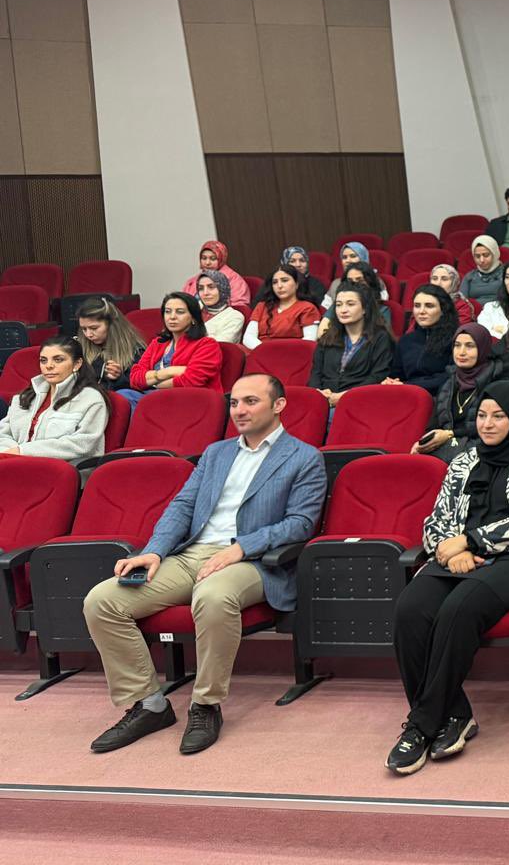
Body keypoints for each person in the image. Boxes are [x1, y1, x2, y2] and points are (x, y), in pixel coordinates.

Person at [81, 374, 326, 755]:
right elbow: (182, 507)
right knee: (102, 601)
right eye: (234, 403)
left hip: (254, 561)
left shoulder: (304, 457)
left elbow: (300, 523)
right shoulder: (216, 453)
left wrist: (240, 548)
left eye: (250, 401)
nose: (239, 410)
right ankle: (149, 704)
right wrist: (155, 550)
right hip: (192, 553)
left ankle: (205, 704)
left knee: (212, 597)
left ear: (279, 405)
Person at [386, 380, 509, 774]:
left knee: (459, 607)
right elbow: (437, 518)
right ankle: (455, 713)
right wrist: (453, 551)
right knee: (409, 609)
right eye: (482, 415)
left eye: (498, 416)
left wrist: (471, 541)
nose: (487, 423)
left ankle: (420, 725)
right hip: (458, 559)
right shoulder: (463, 461)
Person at [415, 324, 509, 465]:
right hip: (449, 449)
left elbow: (492, 427)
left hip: (485, 451)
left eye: (469, 346)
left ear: (482, 349)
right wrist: (423, 443)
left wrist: (450, 434)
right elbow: (434, 425)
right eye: (457, 345)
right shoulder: (450, 383)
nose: (461, 352)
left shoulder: (499, 382)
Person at [0, 335, 109, 462]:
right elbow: (3, 433)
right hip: (12, 462)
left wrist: (22, 451)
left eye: (58, 360)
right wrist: (10, 453)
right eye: (43, 360)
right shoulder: (24, 396)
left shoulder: (91, 399)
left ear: (77, 364)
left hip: (60, 469)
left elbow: (83, 444)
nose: (49, 366)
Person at [308, 284, 395, 406]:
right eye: (338, 305)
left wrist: (343, 396)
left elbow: (377, 376)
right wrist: (319, 393)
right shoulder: (327, 337)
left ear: (365, 308)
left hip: (360, 401)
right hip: (324, 400)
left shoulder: (381, 338)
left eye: (350, 304)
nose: (343, 310)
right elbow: (316, 373)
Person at [130, 293, 223, 396]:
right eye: (168, 311)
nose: (172, 317)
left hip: (189, 399)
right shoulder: (158, 343)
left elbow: (191, 380)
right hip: (150, 396)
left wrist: (152, 382)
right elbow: (134, 378)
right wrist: (169, 372)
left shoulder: (207, 345)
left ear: (193, 318)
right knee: (124, 394)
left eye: (180, 312)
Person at [389, 284, 459, 394]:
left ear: (443, 310)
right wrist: (391, 382)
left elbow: (451, 377)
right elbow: (396, 375)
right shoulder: (406, 340)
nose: (421, 311)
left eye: (429, 306)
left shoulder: (456, 338)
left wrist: (409, 386)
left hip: (440, 396)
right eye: (417, 306)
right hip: (406, 394)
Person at [75, 297, 145, 396]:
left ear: (111, 325)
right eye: (84, 329)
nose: (88, 334)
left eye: (94, 328)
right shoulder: (78, 347)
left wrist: (119, 378)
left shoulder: (136, 351)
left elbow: (142, 386)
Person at [243, 266, 320, 348]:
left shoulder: (308, 308)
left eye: (284, 280)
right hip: (260, 351)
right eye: (275, 282)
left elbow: (309, 340)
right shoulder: (262, 306)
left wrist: (280, 352)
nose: (279, 286)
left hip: (293, 352)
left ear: (297, 284)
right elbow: (248, 337)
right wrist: (266, 351)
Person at [183, 241, 249, 311]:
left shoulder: (235, 280)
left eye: (213, 258)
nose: (207, 263)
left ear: (221, 258)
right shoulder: (192, 281)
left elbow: (240, 307)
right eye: (204, 258)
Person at [194, 271, 244, 344]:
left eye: (211, 287)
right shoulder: (194, 308)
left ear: (222, 289)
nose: (205, 293)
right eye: (201, 288)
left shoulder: (235, 317)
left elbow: (218, 344)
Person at [460, 235, 505, 305]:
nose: (482, 260)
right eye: (477, 256)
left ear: (495, 254)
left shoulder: (507, 274)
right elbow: (462, 303)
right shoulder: (469, 277)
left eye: (486, 255)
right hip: (474, 310)